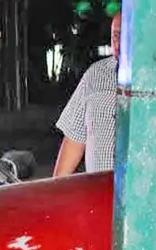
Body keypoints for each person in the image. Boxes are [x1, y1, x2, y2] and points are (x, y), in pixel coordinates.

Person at [53, 12, 122, 176]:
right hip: (99, 194)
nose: (120, 42)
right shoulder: (96, 74)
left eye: (128, 35)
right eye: (116, 35)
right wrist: (56, 192)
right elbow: (74, 137)